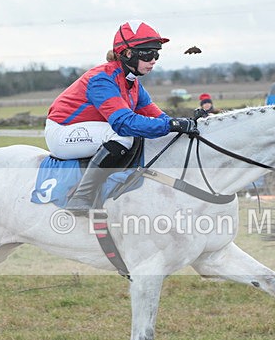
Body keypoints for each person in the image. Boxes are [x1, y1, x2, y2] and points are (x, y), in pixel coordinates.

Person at [45, 20, 198, 214]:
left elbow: (159, 118)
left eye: (157, 54)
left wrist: (184, 124)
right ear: (127, 53)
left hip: (89, 130)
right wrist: (172, 125)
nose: (153, 60)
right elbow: (123, 123)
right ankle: (81, 197)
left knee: (150, 134)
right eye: (148, 53)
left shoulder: (133, 84)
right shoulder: (102, 79)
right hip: (62, 132)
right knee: (123, 135)